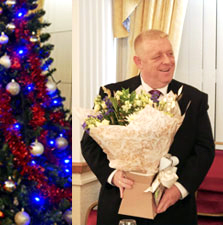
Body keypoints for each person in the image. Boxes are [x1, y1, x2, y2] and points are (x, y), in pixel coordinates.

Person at [81, 29, 215, 225]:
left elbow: (204, 151)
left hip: (174, 212)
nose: (168, 61)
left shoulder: (193, 100)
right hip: (120, 207)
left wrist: (179, 189)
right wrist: (112, 176)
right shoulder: (113, 94)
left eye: (170, 53)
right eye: (157, 56)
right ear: (138, 62)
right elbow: (90, 144)